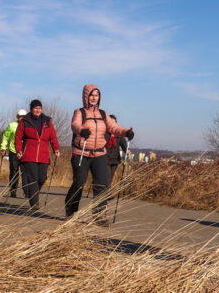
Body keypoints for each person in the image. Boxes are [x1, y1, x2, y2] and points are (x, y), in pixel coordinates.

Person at [66, 84, 134, 224]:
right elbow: (75, 125)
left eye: (96, 96)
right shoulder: (80, 112)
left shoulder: (103, 114)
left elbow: (113, 127)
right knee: (79, 183)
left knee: (101, 185)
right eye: (91, 95)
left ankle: (99, 214)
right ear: (86, 96)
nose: (94, 98)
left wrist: (126, 132)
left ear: (99, 98)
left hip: (100, 154)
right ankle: (71, 209)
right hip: (82, 153)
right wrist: (81, 130)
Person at [15, 100, 60, 212]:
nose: (37, 110)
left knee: (42, 178)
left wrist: (56, 149)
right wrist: (19, 150)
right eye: (35, 108)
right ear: (31, 109)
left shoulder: (47, 122)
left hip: (43, 155)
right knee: (33, 178)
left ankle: (32, 194)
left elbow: (53, 137)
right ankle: (34, 203)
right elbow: (18, 137)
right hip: (29, 154)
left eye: (39, 108)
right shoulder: (25, 121)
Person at [0, 109, 28, 198]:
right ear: (17, 117)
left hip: (25, 153)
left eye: (23, 117)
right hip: (13, 152)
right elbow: (5, 137)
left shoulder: (29, 126)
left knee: (25, 173)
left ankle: (26, 191)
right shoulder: (12, 125)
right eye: (20, 117)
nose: (21, 118)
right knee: (14, 171)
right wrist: (3, 148)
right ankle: (13, 190)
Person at [105, 114, 129, 183]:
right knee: (107, 179)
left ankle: (107, 189)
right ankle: (106, 190)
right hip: (105, 159)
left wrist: (126, 150)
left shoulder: (119, 135)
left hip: (115, 159)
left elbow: (123, 144)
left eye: (114, 123)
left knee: (110, 179)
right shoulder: (104, 133)